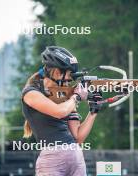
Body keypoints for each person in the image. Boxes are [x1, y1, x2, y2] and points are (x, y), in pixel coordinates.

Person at [21, 46, 101, 176]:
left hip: (75, 155)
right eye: (70, 74)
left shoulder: (65, 95)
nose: (71, 79)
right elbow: (59, 112)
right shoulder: (31, 93)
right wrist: (77, 97)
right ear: (57, 72)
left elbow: (78, 137)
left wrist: (93, 111)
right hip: (52, 159)